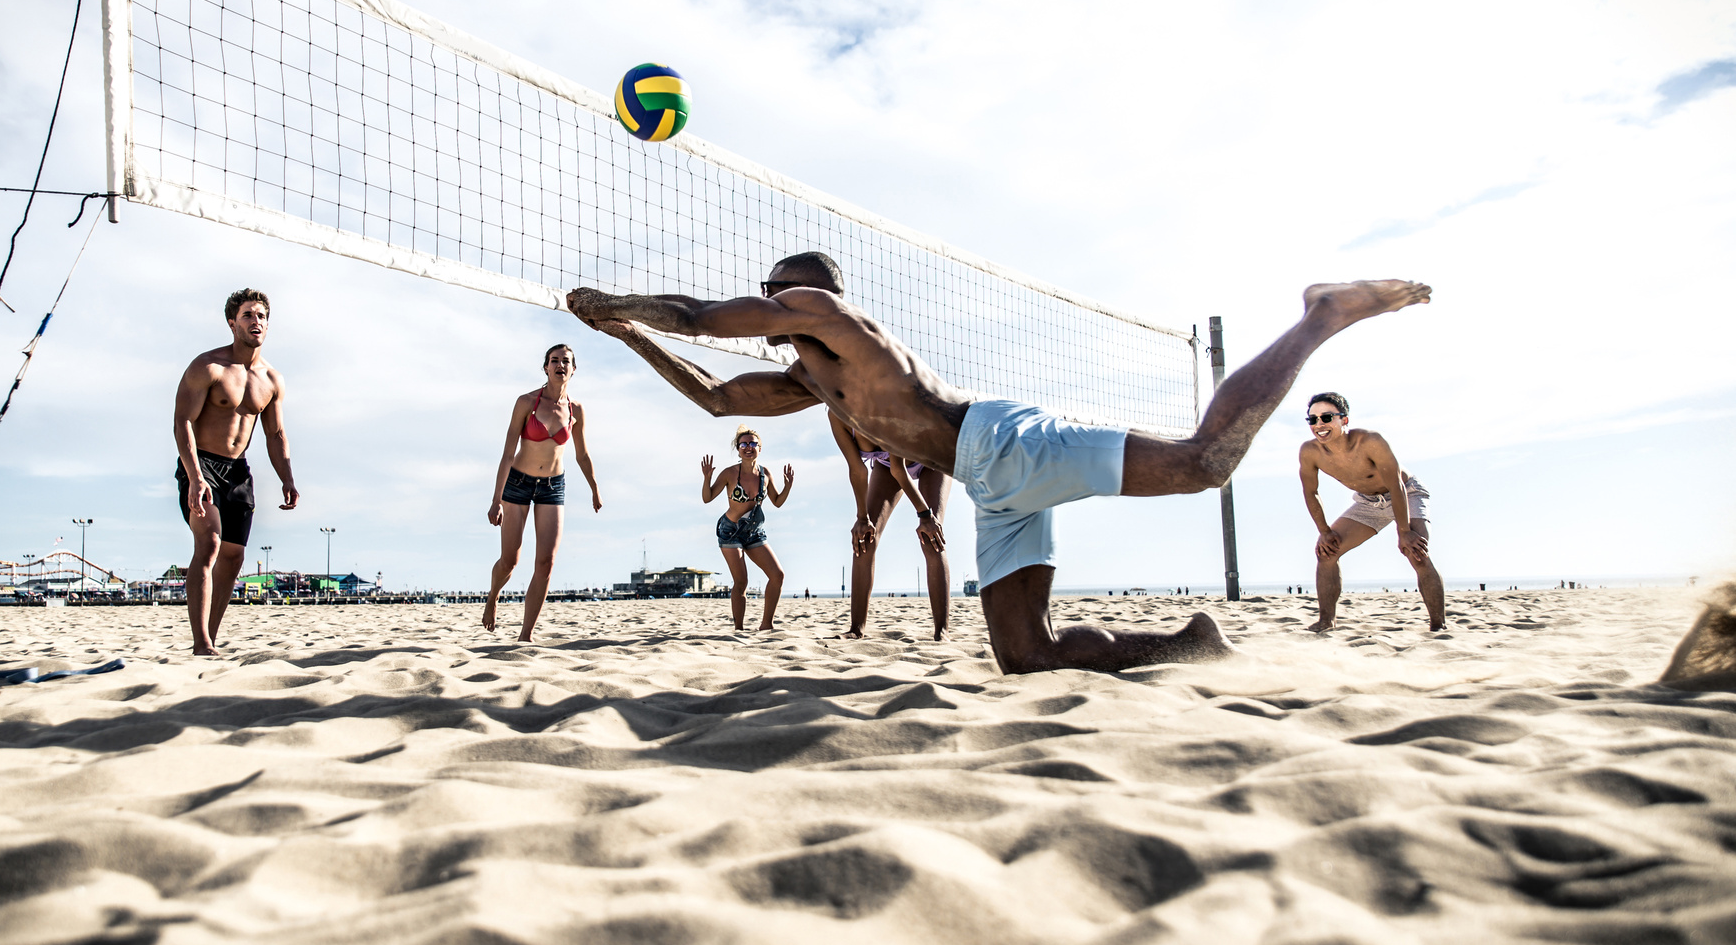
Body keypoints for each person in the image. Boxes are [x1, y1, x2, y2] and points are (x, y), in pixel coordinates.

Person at [565, 252, 1430, 674]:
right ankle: (1187, 644)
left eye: (775, 291)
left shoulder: (825, 315)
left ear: (803, 293)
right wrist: (626, 331)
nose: (769, 302)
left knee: (1205, 462)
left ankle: (1318, 316)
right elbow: (716, 396)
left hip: (1000, 442)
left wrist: (627, 300)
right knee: (1025, 656)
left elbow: (704, 315)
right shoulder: (809, 379)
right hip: (991, 478)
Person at [174, 287, 299, 656]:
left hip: (238, 472)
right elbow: (182, 421)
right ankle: (201, 642)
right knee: (209, 543)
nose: (255, 321)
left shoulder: (271, 380)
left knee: (233, 556)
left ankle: (208, 638)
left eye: (261, 316)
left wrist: (287, 477)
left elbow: (275, 433)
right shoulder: (209, 366)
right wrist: (195, 476)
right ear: (232, 322)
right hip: (202, 465)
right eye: (247, 315)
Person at [1297, 392, 1445, 632]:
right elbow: (1311, 492)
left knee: (1417, 552)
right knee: (1326, 553)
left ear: (1344, 420)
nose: (1319, 425)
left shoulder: (1370, 441)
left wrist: (1404, 530)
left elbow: (1396, 484)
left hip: (1406, 492)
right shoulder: (1309, 452)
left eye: (1326, 417)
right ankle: (1326, 622)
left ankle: (1438, 626)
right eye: (1312, 420)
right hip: (1368, 502)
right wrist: (1324, 531)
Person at [484, 344, 602, 641]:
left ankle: (526, 635)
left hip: (553, 486)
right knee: (510, 560)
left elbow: (583, 455)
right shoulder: (526, 402)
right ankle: (493, 596)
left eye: (566, 361)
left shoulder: (576, 410)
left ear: (573, 370)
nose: (560, 365)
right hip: (519, 483)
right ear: (545, 367)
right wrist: (496, 500)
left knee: (546, 562)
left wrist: (594, 489)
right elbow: (508, 454)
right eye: (554, 360)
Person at [828, 414, 950, 640]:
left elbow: (900, 469)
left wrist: (925, 516)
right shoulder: (836, 414)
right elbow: (857, 470)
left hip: (932, 456)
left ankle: (942, 632)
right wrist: (862, 518)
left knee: (932, 536)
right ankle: (856, 629)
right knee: (865, 538)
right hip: (887, 467)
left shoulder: (882, 402)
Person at [700, 426, 794, 631]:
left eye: (753, 444)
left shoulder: (765, 473)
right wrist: (706, 478)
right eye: (744, 444)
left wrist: (787, 487)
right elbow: (707, 499)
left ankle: (766, 624)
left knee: (777, 575)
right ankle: (739, 629)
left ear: (760, 448)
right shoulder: (729, 473)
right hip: (730, 530)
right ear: (738, 448)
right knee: (741, 581)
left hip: (754, 531)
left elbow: (777, 501)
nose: (748, 447)